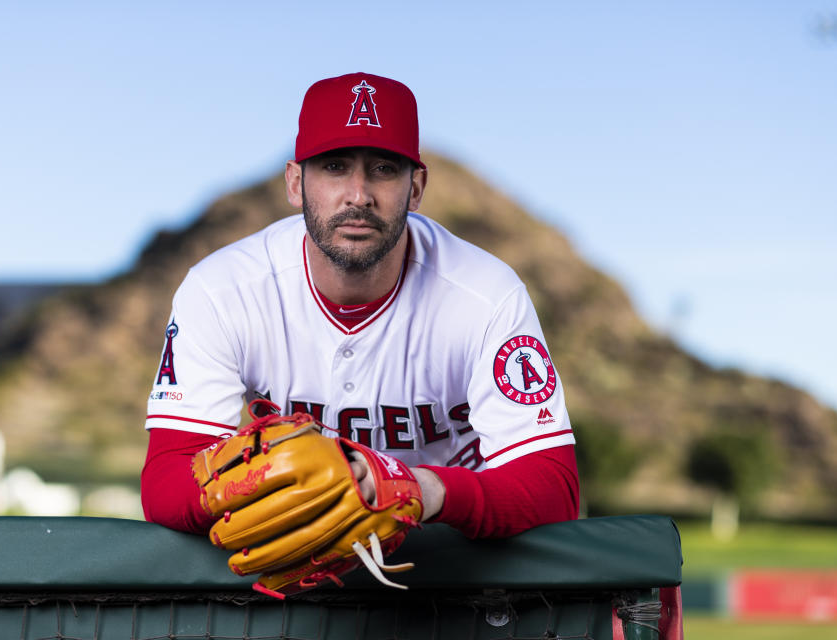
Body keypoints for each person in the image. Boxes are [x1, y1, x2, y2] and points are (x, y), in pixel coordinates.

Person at [141, 72, 579, 539]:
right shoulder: (222, 290)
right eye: (334, 166)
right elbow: (166, 480)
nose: (358, 195)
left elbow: (555, 488)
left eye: (384, 169)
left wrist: (425, 490)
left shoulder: (485, 295)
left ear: (415, 188)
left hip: (447, 557)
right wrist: (269, 485)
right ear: (295, 184)